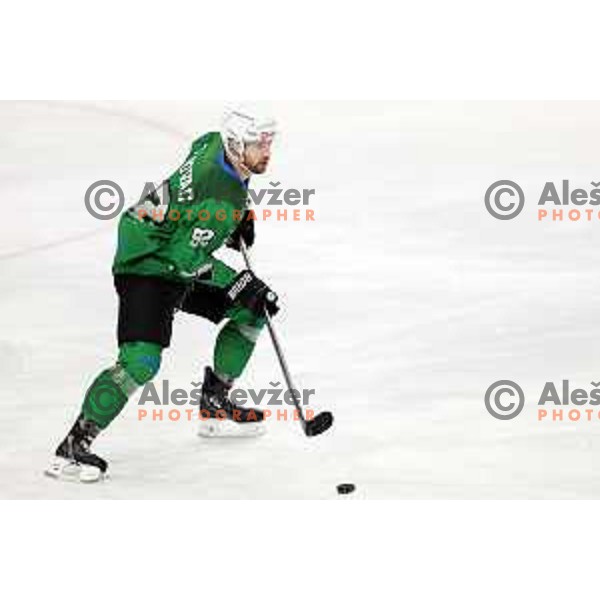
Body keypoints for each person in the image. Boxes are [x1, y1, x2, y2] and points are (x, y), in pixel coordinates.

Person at [46, 108, 280, 483]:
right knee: (141, 362)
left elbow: (197, 151)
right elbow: (185, 261)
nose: (266, 150)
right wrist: (239, 281)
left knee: (252, 313)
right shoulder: (219, 204)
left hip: (172, 245)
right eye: (257, 143)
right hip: (146, 261)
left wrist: (240, 218)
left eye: (268, 141)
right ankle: (72, 449)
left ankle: (215, 403)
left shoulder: (215, 145)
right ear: (236, 145)